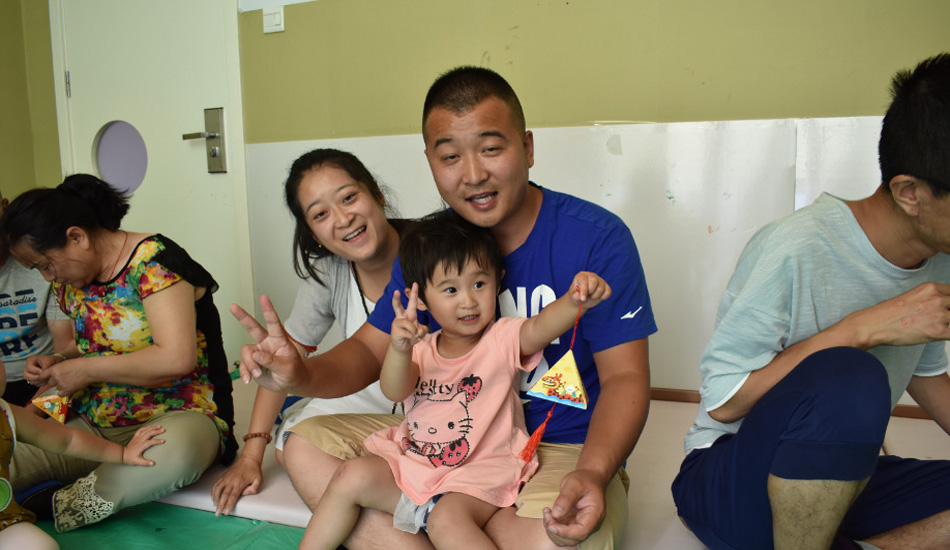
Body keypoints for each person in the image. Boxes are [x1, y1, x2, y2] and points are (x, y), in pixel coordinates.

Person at [233, 66, 656, 549]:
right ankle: (451, 523)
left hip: (558, 446)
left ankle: (448, 522)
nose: (473, 175)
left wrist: (594, 472)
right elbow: (370, 353)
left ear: (528, 148)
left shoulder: (598, 239)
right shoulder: (429, 247)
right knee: (303, 446)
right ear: (431, 162)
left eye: (490, 148)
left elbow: (625, 377)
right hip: (440, 441)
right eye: (451, 156)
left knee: (565, 538)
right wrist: (299, 374)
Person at [672, 53, 950, 550]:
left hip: (839, 477)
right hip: (727, 469)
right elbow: (724, 403)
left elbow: (926, 375)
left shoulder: (940, 255)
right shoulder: (796, 248)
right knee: (850, 374)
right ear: (909, 191)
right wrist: (859, 330)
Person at [301, 212, 611, 550]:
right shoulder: (420, 347)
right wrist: (399, 349)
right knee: (350, 475)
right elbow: (394, 389)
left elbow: (541, 326)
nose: (468, 301)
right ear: (421, 299)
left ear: (498, 280)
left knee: (446, 519)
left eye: (479, 284)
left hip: (482, 469)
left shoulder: (502, 338)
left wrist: (574, 300)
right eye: (450, 289)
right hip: (419, 460)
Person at [0, 174, 238, 533]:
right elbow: (94, 345)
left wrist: (85, 369)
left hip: (180, 413)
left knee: (176, 456)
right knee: (7, 456)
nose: (48, 278)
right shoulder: (74, 282)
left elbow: (176, 358)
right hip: (93, 418)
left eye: (46, 265)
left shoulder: (154, 262)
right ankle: (81, 476)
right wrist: (61, 360)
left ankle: (57, 503)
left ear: (77, 237)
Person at [211, 148, 409, 516]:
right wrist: (251, 455)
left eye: (348, 197)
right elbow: (285, 361)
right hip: (369, 393)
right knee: (289, 443)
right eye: (321, 214)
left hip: (438, 401)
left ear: (377, 194)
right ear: (313, 233)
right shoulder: (330, 271)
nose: (343, 219)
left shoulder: (433, 250)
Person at [0, 363, 164, 550]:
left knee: (41, 546)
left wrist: (123, 453)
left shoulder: (7, 414)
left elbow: (67, 440)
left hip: (4, 520)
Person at [0, 189, 74, 408]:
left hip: (48, 385)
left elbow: (66, 358)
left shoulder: (43, 265)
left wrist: (33, 414)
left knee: (53, 426)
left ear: (4, 207)